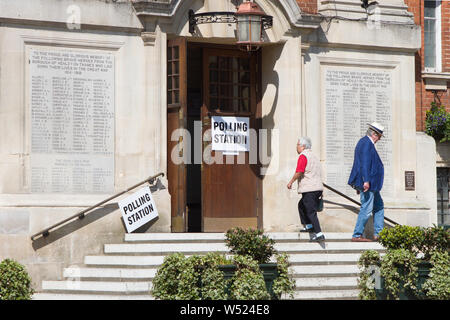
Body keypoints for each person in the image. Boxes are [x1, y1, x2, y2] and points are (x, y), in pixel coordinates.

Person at [348, 122, 385, 242]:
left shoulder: (365, 143)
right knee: (367, 208)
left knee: (379, 206)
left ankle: (379, 234)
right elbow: (364, 164)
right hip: (370, 183)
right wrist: (365, 181)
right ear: (374, 134)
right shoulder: (366, 143)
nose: (379, 139)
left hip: (373, 184)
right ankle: (357, 234)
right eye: (379, 136)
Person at [287, 137, 325, 242]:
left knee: (310, 211)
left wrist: (291, 182)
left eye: (297, 145)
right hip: (317, 188)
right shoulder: (314, 156)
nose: (296, 147)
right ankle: (309, 226)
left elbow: (299, 171)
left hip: (310, 188)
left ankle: (319, 234)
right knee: (301, 205)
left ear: (303, 146)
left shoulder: (303, 156)